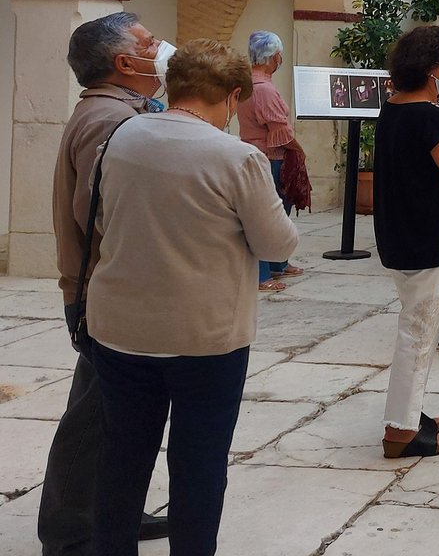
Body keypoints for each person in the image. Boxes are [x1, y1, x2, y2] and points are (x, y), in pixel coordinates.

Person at [87, 39, 299, 554]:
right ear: (231, 96)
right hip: (204, 335)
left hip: (120, 328)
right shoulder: (236, 156)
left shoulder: (120, 138)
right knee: (199, 464)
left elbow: (97, 218)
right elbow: (276, 243)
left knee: (121, 458)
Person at [45, 12, 172, 552]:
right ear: (124, 62)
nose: (160, 47)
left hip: (109, 289)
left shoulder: (122, 112)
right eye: (148, 43)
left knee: (120, 414)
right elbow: (103, 215)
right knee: (94, 416)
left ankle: (110, 508)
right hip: (106, 290)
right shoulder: (109, 121)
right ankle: (70, 531)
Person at [374, 26, 439, 459]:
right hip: (427, 234)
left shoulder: (391, 108)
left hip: (396, 230)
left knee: (415, 321)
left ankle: (410, 413)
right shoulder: (432, 118)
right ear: (430, 70)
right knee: (420, 330)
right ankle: (401, 431)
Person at [236, 31, 305, 292]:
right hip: (270, 156)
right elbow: (279, 129)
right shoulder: (263, 88)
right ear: (274, 56)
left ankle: (278, 262)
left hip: (256, 151)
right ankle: (263, 272)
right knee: (269, 212)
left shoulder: (250, 83)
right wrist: (298, 150)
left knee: (277, 208)